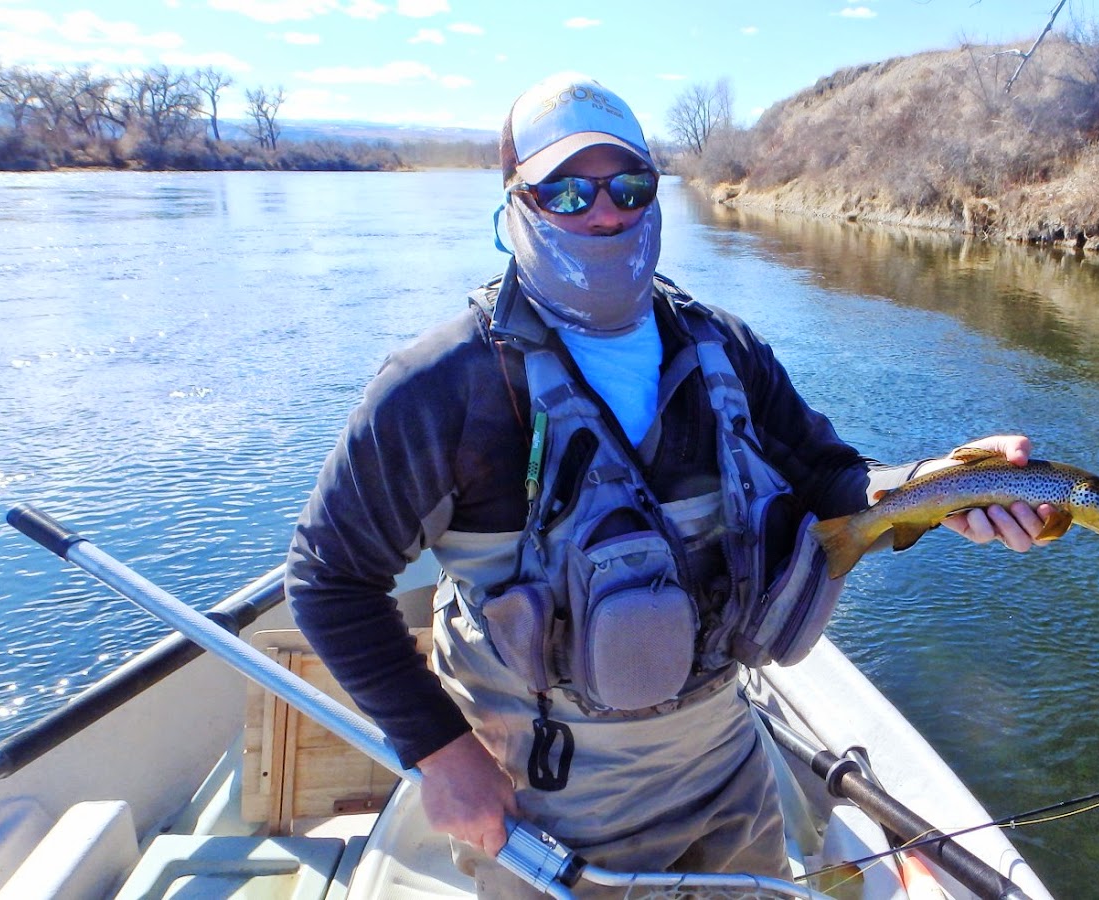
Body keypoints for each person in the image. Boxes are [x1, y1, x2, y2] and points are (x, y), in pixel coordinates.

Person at [285, 71, 1059, 899]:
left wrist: (939, 489)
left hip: (728, 763)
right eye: (568, 191)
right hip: (548, 800)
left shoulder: (726, 348)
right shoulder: (438, 387)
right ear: (515, 202)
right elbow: (328, 582)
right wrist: (442, 756)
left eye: (628, 185)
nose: (605, 211)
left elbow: (832, 478)